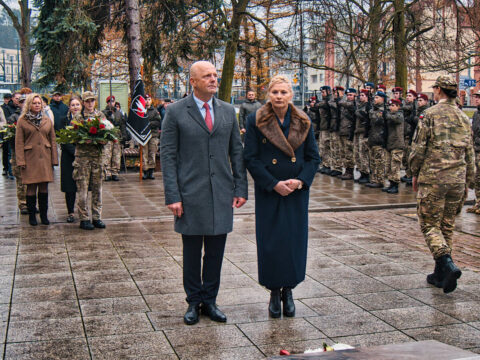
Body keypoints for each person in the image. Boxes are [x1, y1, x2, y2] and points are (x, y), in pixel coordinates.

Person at [160, 60, 248, 325]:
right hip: (189, 194)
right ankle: (193, 301)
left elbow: (236, 151)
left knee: (215, 252)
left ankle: (210, 300)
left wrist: (240, 186)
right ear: (193, 82)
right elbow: (168, 155)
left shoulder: (226, 111)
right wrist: (172, 195)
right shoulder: (175, 112)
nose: (213, 79)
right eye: (207, 76)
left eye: (215, 75)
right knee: (191, 251)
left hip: (221, 192)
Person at [244, 75, 320, 318]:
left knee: (293, 242)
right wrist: (272, 183)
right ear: (268, 94)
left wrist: (300, 181)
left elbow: (313, 158)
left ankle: (289, 290)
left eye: (283, 92)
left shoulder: (304, 120)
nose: (279, 96)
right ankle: (274, 292)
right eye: (275, 92)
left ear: (291, 95)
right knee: (271, 242)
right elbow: (251, 158)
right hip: (271, 190)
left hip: (295, 191)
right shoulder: (255, 120)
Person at [409, 75, 474, 294]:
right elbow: (469, 151)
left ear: (438, 90)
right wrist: (469, 179)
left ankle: (446, 262)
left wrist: (414, 172)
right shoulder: (463, 117)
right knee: (446, 225)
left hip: (434, 178)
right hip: (457, 178)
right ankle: (440, 274)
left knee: (429, 224)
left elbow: (419, 148)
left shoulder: (430, 114)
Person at [15, 93, 58, 226]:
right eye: (34, 103)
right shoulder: (22, 121)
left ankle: (44, 216)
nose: (37, 105)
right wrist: (21, 161)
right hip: (30, 158)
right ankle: (32, 216)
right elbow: (19, 142)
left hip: (45, 157)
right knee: (31, 187)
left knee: (44, 187)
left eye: (39, 103)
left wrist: (54, 159)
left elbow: (53, 139)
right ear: (29, 104)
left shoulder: (47, 120)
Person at [75, 91, 108, 230]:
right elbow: (74, 136)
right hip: (83, 158)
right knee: (82, 190)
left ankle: (97, 217)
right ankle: (83, 218)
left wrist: (102, 140)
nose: (90, 103)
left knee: (97, 189)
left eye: (92, 101)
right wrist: (83, 139)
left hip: (97, 157)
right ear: (83, 102)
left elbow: (108, 133)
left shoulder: (100, 116)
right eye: (87, 101)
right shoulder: (78, 117)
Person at [60, 96, 82, 223]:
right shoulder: (64, 120)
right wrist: (76, 153)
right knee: (70, 186)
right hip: (69, 158)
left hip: (83, 158)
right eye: (73, 105)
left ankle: (82, 210)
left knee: (83, 186)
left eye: (77, 104)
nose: (75, 107)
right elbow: (63, 139)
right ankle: (70, 212)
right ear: (69, 107)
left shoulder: (86, 120)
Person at [8, 94, 28, 212]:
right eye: (22, 102)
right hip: (18, 152)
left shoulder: (32, 117)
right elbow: (10, 137)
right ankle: (23, 203)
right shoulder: (14, 117)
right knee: (20, 180)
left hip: (30, 153)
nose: (24, 104)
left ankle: (31, 202)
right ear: (19, 104)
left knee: (31, 179)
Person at [366, 91, 387, 188]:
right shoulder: (373, 109)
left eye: (377, 97)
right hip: (373, 137)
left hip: (380, 138)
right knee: (373, 160)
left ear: (382, 98)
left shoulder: (384, 109)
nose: (375, 99)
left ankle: (380, 180)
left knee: (379, 161)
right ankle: (374, 179)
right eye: (375, 98)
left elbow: (377, 120)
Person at [383, 99, 404, 194]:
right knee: (389, 165)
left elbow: (396, 119)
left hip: (397, 143)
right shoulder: (389, 115)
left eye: (393, 105)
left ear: (398, 106)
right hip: (389, 143)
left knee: (395, 165)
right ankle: (391, 183)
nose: (391, 107)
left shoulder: (399, 114)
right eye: (390, 105)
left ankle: (395, 184)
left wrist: (386, 114)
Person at [102, 95, 125, 181]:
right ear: (107, 103)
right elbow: (102, 123)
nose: (111, 103)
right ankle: (107, 172)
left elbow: (122, 124)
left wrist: (124, 136)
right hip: (108, 136)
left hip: (116, 136)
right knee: (107, 155)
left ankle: (115, 172)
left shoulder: (118, 113)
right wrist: (108, 116)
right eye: (109, 102)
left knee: (116, 155)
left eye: (113, 101)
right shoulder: (103, 112)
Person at [338, 88, 357, 180]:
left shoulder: (354, 105)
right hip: (343, 130)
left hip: (349, 132)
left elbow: (346, 104)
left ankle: (350, 171)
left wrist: (340, 98)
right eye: (348, 95)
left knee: (349, 152)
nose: (349, 97)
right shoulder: (344, 104)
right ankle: (346, 170)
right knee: (343, 152)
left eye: (351, 95)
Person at [142, 94, 161, 180]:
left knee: (152, 153)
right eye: (146, 99)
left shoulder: (154, 111)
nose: (147, 101)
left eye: (149, 99)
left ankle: (151, 171)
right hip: (143, 136)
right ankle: (145, 171)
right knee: (144, 154)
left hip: (153, 135)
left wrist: (148, 123)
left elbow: (158, 122)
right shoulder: (141, 110)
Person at [467, 89, 480, 214]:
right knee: (477, 177)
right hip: (476, 148)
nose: (476, 99)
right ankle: (478, 202)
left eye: (479, 97)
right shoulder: (476, 114)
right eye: (476, 97)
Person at [354, 89, 371, 184]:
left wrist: (358, 112)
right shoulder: (359, 106)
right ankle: (361, 172)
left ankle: (366, 173)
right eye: (360, 95)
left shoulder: (368, 106)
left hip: (364, 132)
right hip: (358, 131)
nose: (361, 97)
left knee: (363, 153)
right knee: (358, 153)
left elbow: (366, 118)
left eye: (363, 95)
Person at [401, 90, 417, 186]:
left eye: (410, 96)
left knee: (409, 156)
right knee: (405, 157)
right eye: (407, 96)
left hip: (411, 135)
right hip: (404, 134)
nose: (407, 97)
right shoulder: (406, 108)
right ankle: (408, 174)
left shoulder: (412, 108)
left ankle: (411, 175)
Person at [328, 86, 344, 176]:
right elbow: (330, 103)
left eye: (337, 92)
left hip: (341, 127)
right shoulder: (333, 101)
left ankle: (338, 167)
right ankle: (335, 166)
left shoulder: (344, 101)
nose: (335, 94)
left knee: (339, 149)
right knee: (333, 148)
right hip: (333, 126)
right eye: (334, 93)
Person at [317, 86, 332, 174]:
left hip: (327, 127)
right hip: (323, 126)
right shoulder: (324, 101)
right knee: (322, 147)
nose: (322, 94)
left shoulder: (329, 101)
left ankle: (328, 165)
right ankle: (325, 164)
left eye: (323, 92)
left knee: (327, 147)